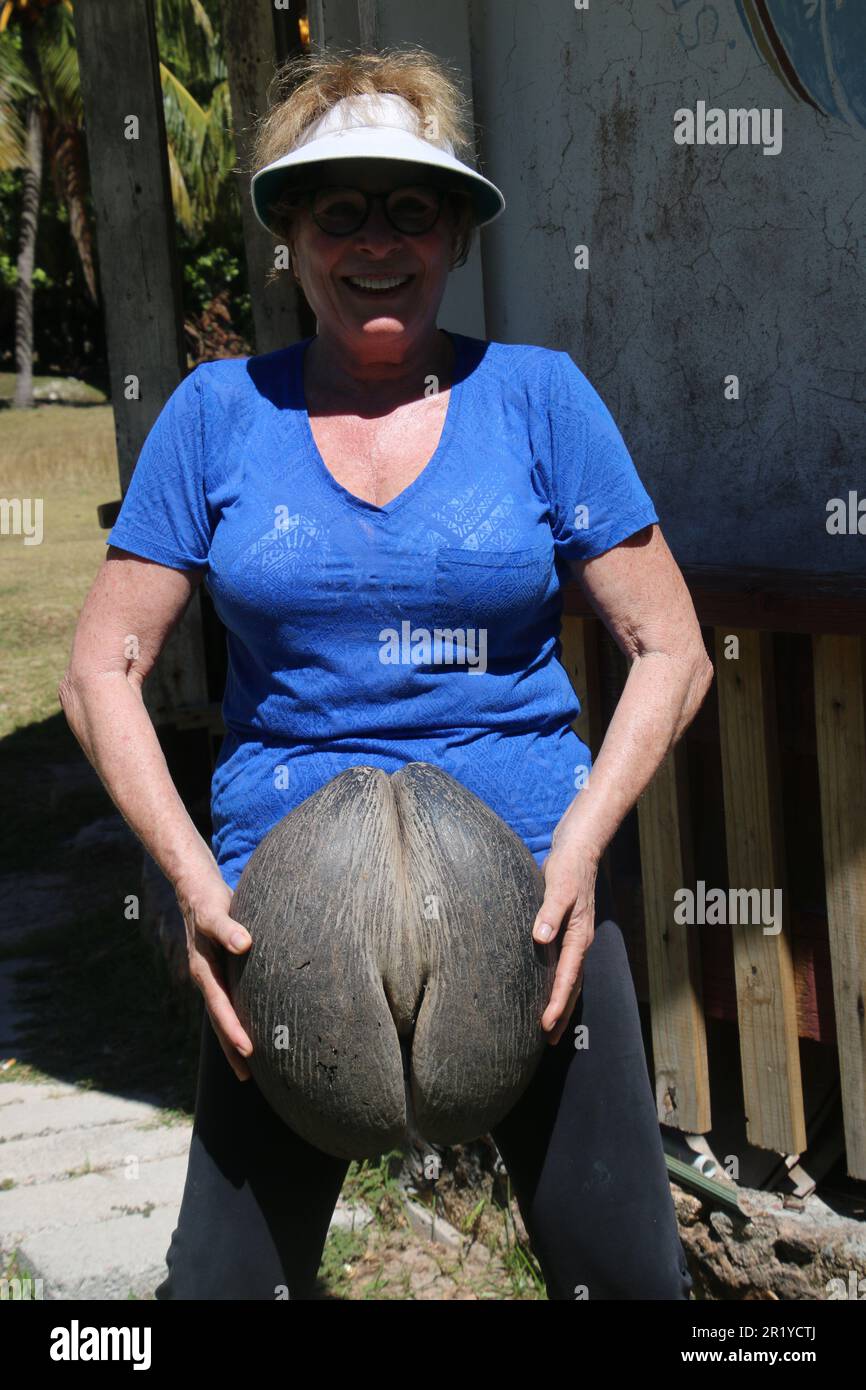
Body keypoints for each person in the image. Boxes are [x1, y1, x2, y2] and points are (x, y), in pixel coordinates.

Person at [59, 49, 712, 1300]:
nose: (375, 241)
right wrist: (196, 885)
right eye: (337, 209)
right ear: (288, 237)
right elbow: (101, 666)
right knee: (216, 1290)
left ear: (457, 234)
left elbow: (670, 646)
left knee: (629, 1282)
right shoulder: (214, 414)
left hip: (534, 912)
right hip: (281, 921)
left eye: (411, 209)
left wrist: (577, 851)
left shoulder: (536, 399)